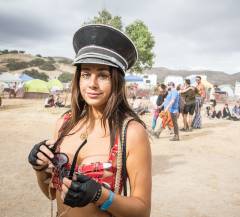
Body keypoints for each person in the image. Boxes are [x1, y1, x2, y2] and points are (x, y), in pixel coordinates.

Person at [28, 24, 151, 217]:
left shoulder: (131, 132)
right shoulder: (64, 124)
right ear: (78, 78)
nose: (92, 84)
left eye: (102, 75)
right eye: (86, 74)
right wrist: (40, 168)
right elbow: (52, 194)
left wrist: (100, 195)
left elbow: (142, 211)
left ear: (116, 81)